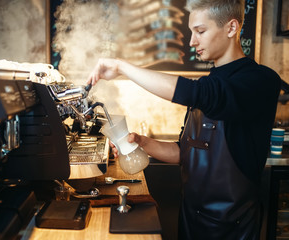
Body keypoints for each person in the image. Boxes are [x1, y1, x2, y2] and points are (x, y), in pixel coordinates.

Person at [87, 0, 281, 239]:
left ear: (231, 28)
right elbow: (185, 153)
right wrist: (142, 142)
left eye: (200, 31)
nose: (192, 41)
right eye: (191, 32)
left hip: (230, 229)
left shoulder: (259, 81)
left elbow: (198, 93)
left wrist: (121, 66)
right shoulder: (209, 84)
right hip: (191, 221)